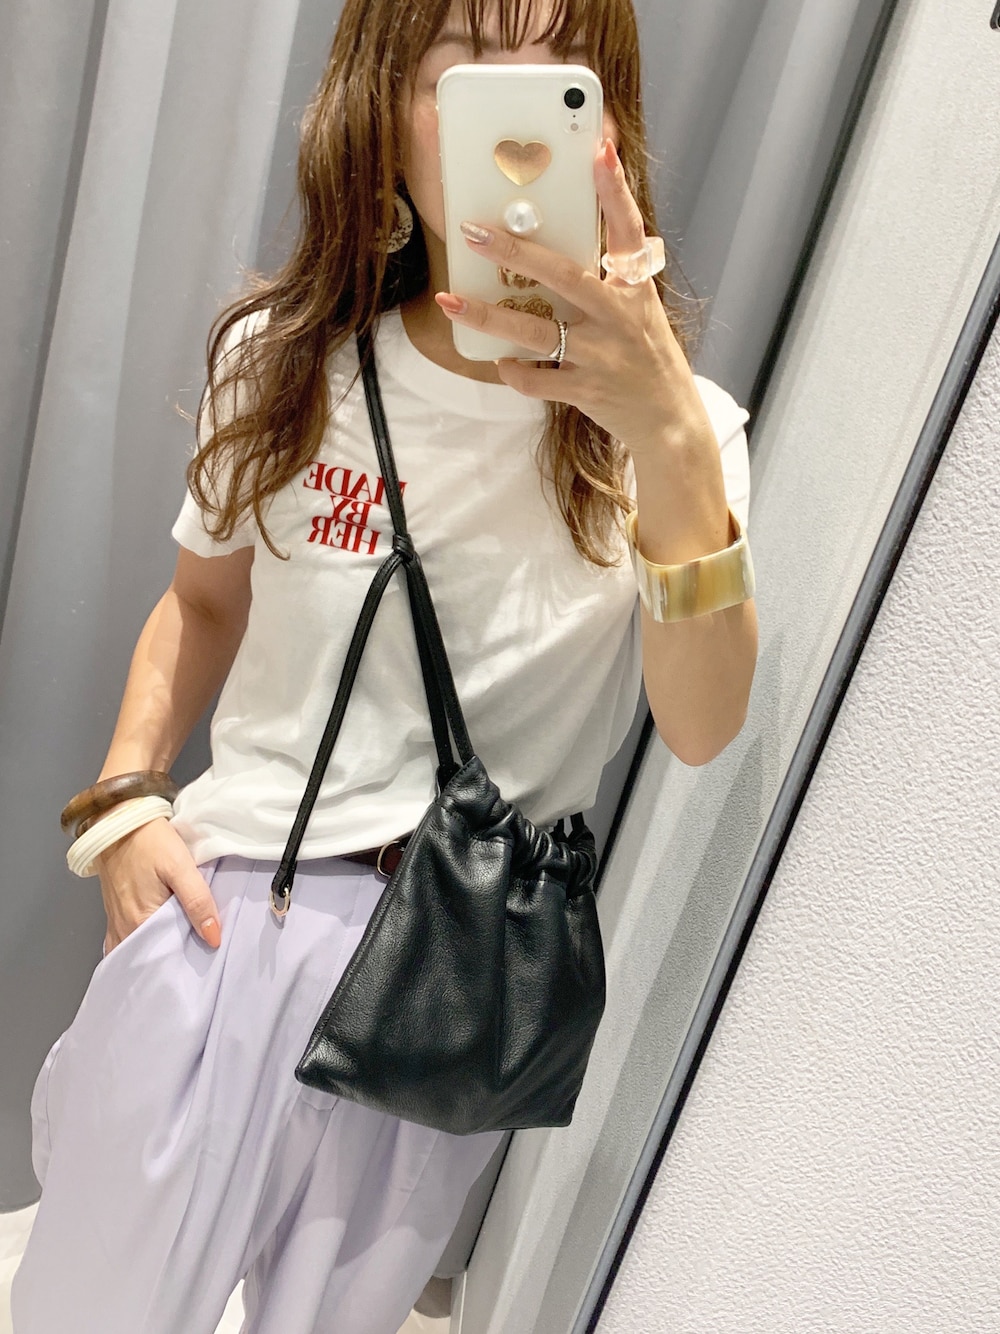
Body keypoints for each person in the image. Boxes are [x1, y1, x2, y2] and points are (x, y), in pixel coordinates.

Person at [11, 0, 758, 1330]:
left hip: (451, 986)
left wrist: (664, 434)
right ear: (384, 106)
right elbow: (200, 600)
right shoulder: (287, 361)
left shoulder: (679, 438)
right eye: (464, 66)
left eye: (557, 74)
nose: (509, 122)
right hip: (227, 922)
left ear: (606, 126)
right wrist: (123, 798)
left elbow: (701, 726)